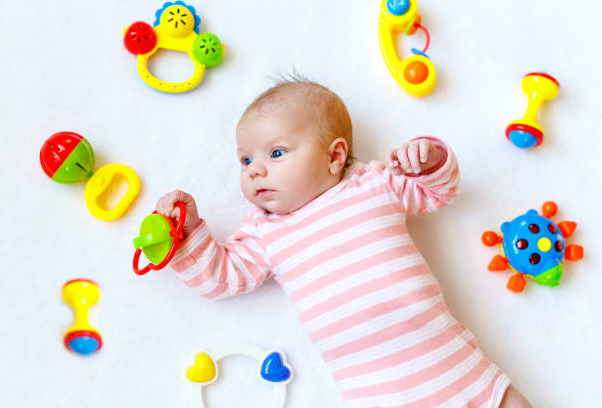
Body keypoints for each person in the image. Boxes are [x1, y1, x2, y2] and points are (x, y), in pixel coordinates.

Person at [156, 80, 531, 407]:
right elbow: (220, 278)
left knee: (503, 399)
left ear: (335, 156)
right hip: (373, 390)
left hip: (445, 358)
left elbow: (437, 194)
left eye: (276, 153)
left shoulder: (373, 184)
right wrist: (188, 231)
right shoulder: (264, 230)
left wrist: (427, 160)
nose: (255, 169)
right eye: (245, 159)